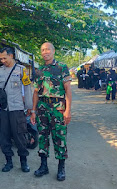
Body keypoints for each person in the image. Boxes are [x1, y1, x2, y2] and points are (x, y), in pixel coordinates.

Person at [31, 42, 72, 181]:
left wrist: (68, 111)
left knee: (59, 137)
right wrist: (33, 111)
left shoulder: (61, 67)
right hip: (42, 107)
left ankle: (61, 168)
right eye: (42, 50)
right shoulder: (39, 70)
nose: (45, 52)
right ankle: (44, 166)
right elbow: (36, 92)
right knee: (42, 137)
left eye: (47, 49)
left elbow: (68, 90)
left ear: (53, 51)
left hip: (58, 108)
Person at [0, 47, 33, 173]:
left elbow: (27, 88)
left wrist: (29, 106)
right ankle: (8, 161)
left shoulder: (21, 70)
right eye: (1, 58)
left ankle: (23, 162)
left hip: (17, 108)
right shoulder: (0, 71)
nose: (2, 60)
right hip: (4, 109)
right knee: (4, 136)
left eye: (4, 58)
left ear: (11, 56)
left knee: (19, 135)